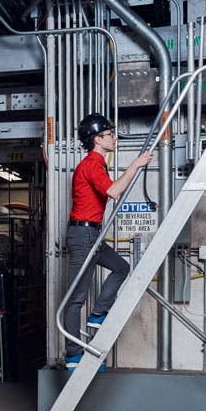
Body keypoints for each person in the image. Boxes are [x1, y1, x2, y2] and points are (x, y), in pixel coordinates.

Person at [64, 114, 154, 368]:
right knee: (76, 298)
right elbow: (113, 191)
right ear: (97, 139)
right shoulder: (91, 164)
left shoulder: (98, 163)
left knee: (121, 267)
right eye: (110, 134)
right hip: (83, 236)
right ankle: (73, 355)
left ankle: (98, 314)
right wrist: (135, 164)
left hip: (92, 234)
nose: (114, 138)